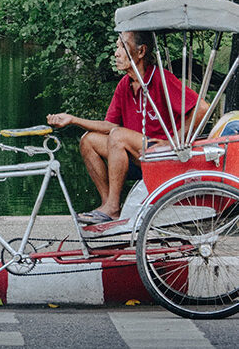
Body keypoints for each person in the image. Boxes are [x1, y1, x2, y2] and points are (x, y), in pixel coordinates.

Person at [47, 30, 210, 224]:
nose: (116, 53)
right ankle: (108, 206)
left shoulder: (159, 78)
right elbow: (109, 125)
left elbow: (202, 108)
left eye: (121, 46)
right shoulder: (125, 84)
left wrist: (173, 141)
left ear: (141, 52)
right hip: (137, 156)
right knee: (88, 140)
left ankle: (113, 207)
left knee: (118, 135)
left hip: (163, 158)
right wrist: (73, 119)